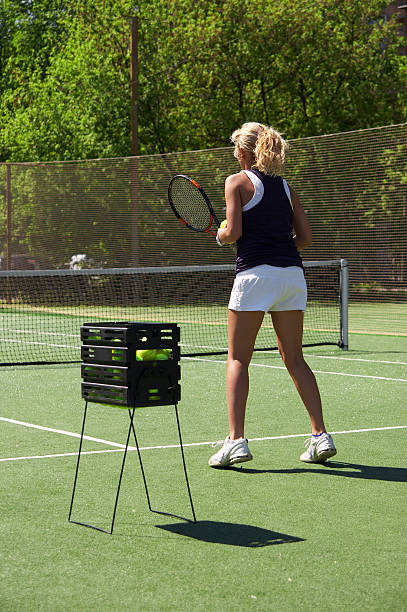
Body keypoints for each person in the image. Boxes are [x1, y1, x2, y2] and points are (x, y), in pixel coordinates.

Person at [208, 122, 337, 468]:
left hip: (254, 277)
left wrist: (221, 236)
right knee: (295, 359)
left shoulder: (235, 182)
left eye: (235, 147)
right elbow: (305, 239)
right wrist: (279, 250)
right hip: (292, 277)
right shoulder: (285, 187)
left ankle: (235, 441)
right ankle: (320, 436)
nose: (233, 153)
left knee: (237, 359)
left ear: (245, 151)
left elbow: (233, 232)